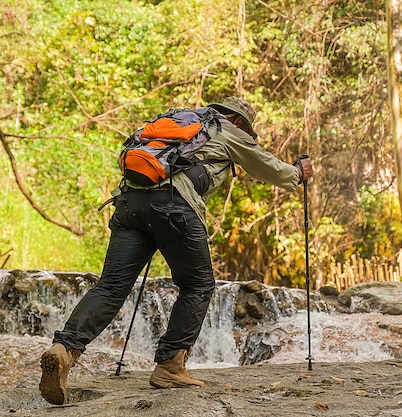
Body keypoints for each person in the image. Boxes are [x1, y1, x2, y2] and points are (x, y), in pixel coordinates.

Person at [38, 97, 314, 405]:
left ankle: (63, 351)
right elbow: (268, 168)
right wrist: (298, 173)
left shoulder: (171, 123)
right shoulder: (225, 129)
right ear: (238, 121)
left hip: (130, 204)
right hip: (174, 206)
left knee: (112, 286)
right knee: (197, 285)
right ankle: (170, 366)